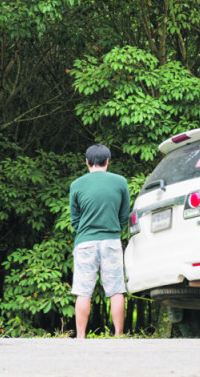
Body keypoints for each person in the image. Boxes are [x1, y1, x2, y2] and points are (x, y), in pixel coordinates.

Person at [69, 144, 130, 338]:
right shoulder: (120, 182)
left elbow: (74, 219)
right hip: (111, 241)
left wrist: (86, 231)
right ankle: (118, 335)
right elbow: (124, 215)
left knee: (83, 291)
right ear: (107, 161)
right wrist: (113, 229)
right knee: (116, 290)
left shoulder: (76, 184)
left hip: (85, 242)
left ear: (87, 162)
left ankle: (81, 337)